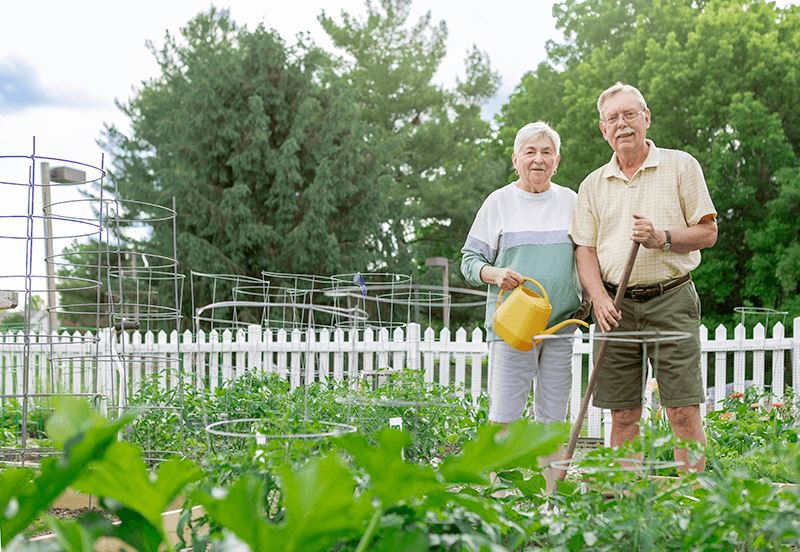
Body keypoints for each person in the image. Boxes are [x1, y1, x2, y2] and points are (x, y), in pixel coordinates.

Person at [569, 82, 717, 472]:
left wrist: (662, 238)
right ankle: (627, 507)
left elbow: (708, 232)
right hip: (615, 308)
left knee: (682, 411)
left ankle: (694, 504)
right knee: (622, 416)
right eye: (612, 118)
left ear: (646, 118)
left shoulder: (681, 165)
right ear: (603, 130)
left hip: (671, 298)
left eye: (629, 114)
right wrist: (598, 298)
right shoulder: (592, 185)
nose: (622, 124)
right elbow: (584, 249)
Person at [461, 121, 582, 491]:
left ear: (557, 160)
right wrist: (495, 274)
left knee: (553, 421)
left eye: (546, 152)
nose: (538, 159)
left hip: (560, 327)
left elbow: (588, 258)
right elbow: (468, 262)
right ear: (516, 159)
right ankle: (499, 494)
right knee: (504, 417)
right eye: (530, 152)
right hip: (512, 330)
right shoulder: (498, 202)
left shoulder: (572, 202)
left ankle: (550, 500)